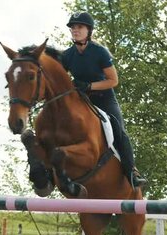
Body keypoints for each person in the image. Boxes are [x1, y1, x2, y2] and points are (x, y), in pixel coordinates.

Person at [61, 12, 147, 189]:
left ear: (88, 30)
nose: (75, 30)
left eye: (79, 27)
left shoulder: (100, 52)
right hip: (82, 100)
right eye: (73, 27)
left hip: (104, 99)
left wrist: (89, 86)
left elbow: (113, 81)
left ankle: (131, 172)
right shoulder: (68, 55)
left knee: (118, 130)